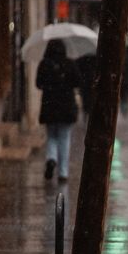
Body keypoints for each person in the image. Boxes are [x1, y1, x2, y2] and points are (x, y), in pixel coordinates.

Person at [36, 39, 81, 183]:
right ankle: (63, 172)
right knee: (64, 138)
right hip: (66, 107)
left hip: (50, 106)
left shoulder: (44, 64)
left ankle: (51, 158)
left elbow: (38, 84)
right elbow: (78, 81)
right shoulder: (70, 63)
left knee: (51, 136)